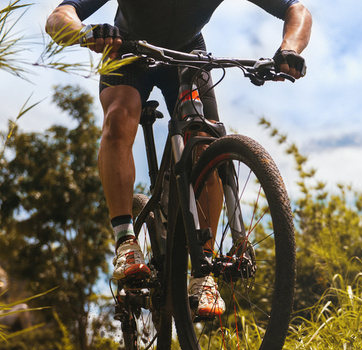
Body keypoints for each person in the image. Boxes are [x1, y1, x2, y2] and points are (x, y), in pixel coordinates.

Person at [45, 0, 312, 317]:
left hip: (188, 57)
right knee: (118, 118)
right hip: (128, 52)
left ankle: (205, 271)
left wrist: (289, 48)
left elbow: (296, 9)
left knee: (207, 141)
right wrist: (86, 32)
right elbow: (58, 17)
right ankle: (126, 242)